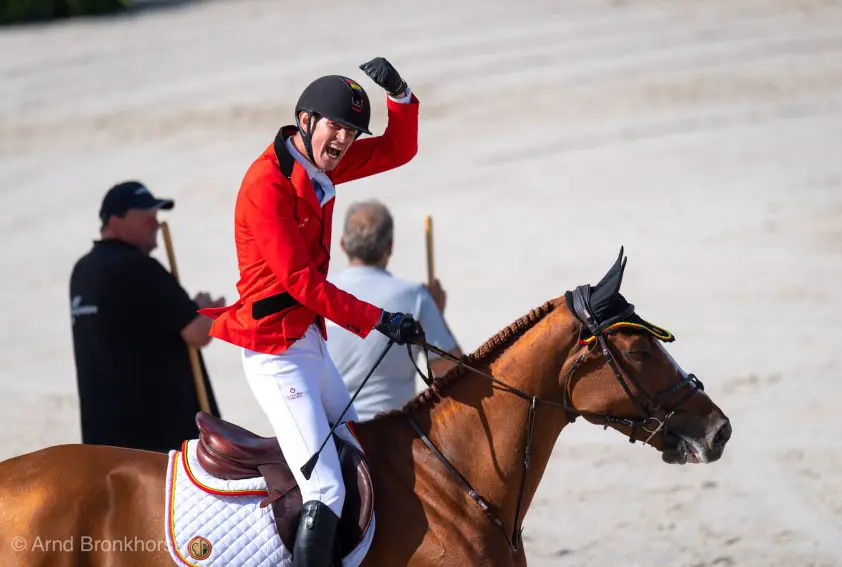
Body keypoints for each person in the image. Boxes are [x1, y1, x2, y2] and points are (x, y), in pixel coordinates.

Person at [198, 57, 424, 567]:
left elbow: (400, 148)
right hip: (275, 353)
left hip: (310, 343)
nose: (344, 140)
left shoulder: (321, 162)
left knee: (358, 462)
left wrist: (401, 94)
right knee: (327, 487)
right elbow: (299, 281)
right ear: (305, 122)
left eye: (351, 132)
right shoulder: (266, 184)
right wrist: (379, 319)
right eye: (337, 128)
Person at [69, 180, 223, 453]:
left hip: (102, 438)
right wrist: (207, 308)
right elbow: (198, 332)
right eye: (146, 217)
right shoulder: (139, 268)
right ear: (115, 221)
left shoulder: (82, 272)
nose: (155, 224)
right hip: (157, 440)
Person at [326, 200, 462, 420]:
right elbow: (453, 375)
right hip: (394, 441)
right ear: (390, 246)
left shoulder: (320, 295)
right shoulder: (415, 297)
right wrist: (437, 317)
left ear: (342, 244)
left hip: (331, 437)